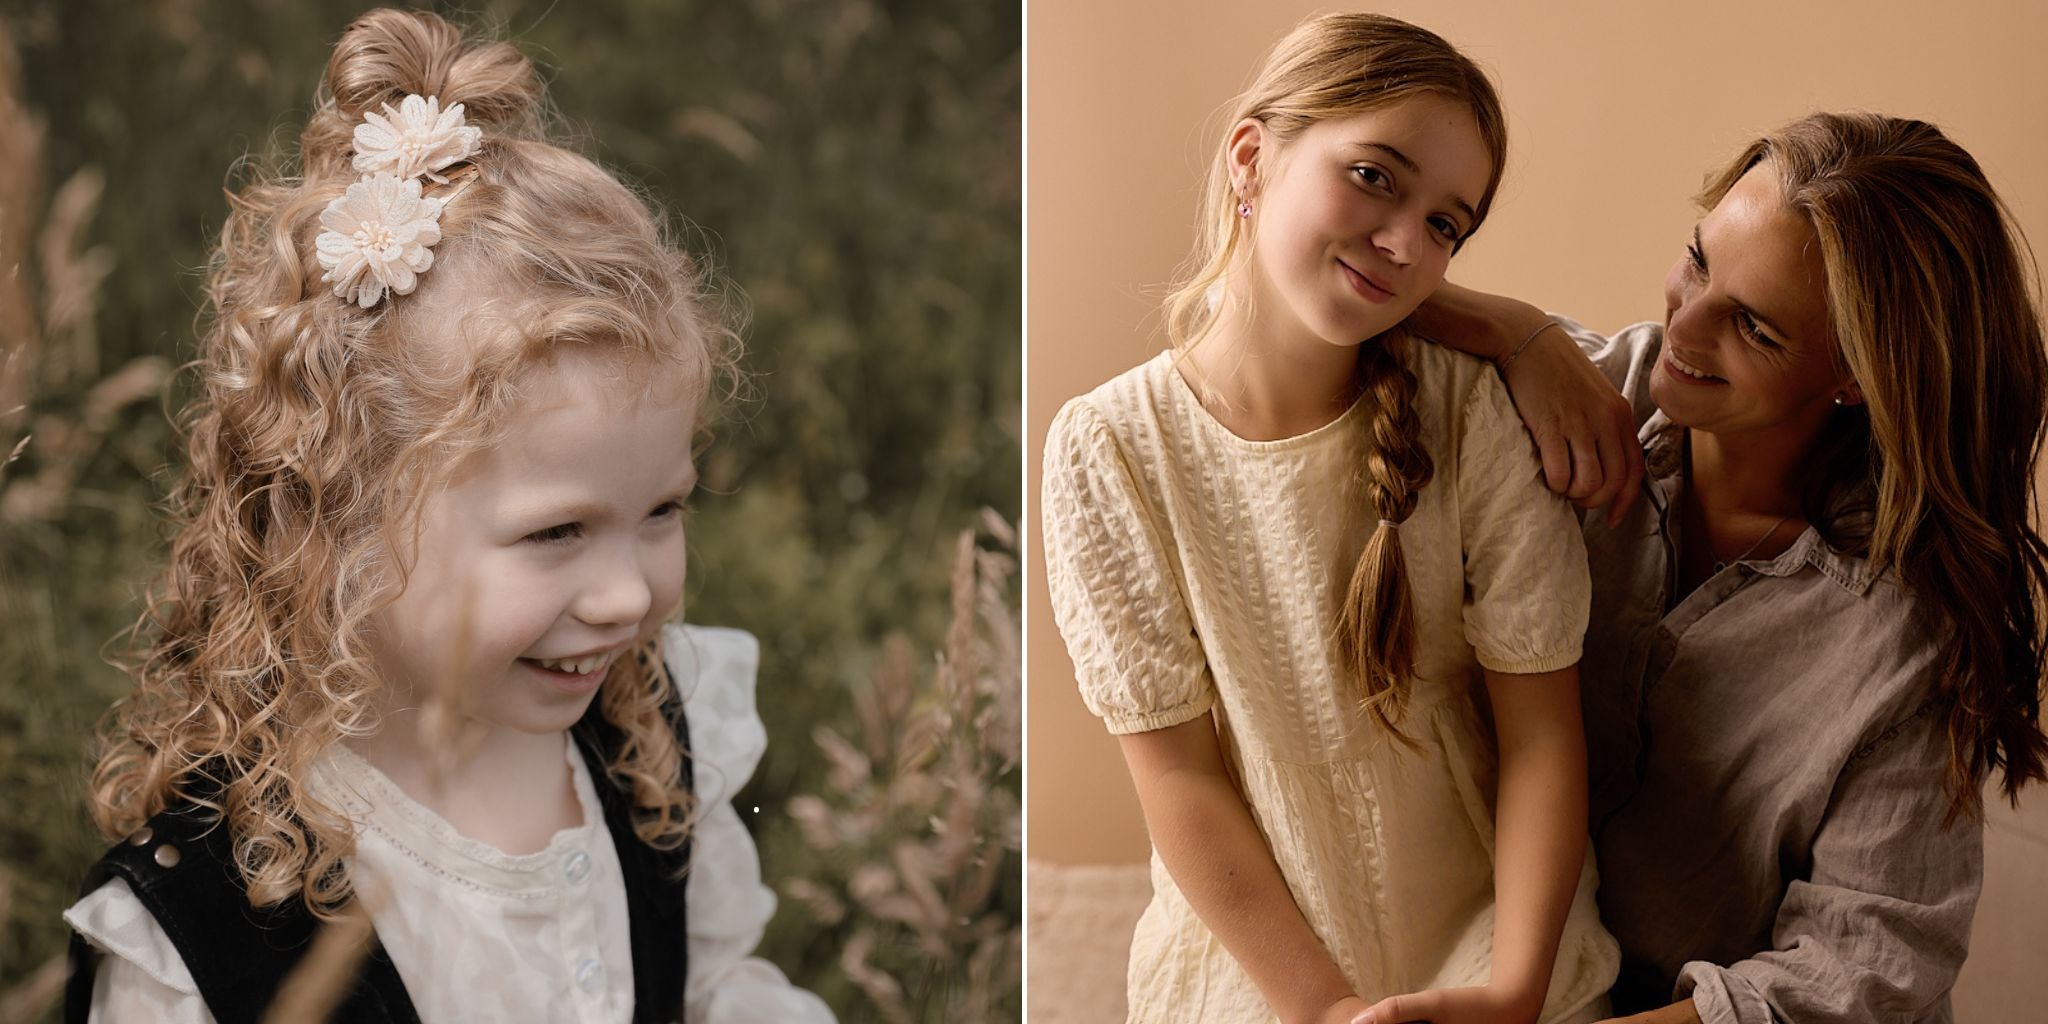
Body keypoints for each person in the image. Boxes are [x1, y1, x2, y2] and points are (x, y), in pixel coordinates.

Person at [60, 10, 833, 1022]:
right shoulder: (207, 930)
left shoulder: (650, 733)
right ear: (337, 517)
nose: (627, 595)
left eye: (662, 509)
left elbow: (712, 988)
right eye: (556, 532)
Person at [1040, 13, 1620, 1024]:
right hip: (1256, 979)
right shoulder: (1111, 449)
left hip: (1498, 955)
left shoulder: (1471, 409)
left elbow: (1540, 738)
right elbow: (1181, 783)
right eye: (1373, 176)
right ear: (1250, 157)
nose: (1402, 242)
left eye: (1445, 226)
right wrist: (1328, 1011)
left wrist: (1514, 992)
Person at [1415, 111, 2048, 1024]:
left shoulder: (1904, 637)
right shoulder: (1573, 390)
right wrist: (1516, 330)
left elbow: (1859, 973)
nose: (1685, 322)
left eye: (1752, 326)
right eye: (1698, 259)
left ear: (1856, 375)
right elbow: (1322, 286)